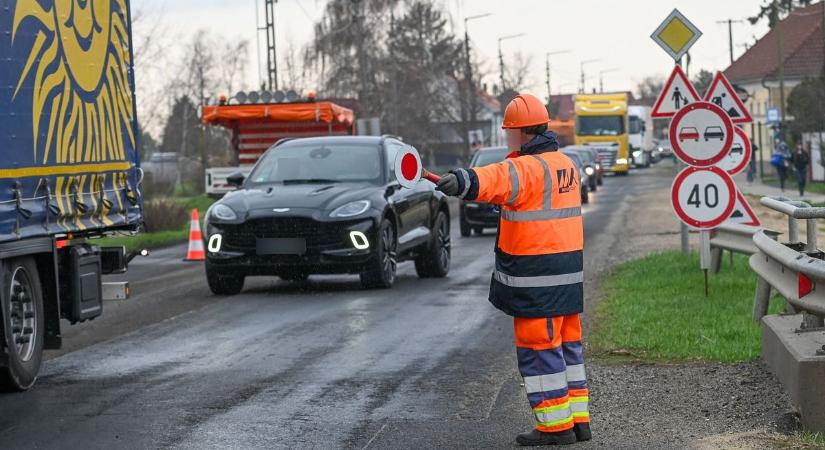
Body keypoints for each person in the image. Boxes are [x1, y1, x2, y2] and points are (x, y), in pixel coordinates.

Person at [436, 93, 589, 446]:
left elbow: (494, 178)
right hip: (566, 276)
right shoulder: (566, 164)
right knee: (568, 348)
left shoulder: (525, 168)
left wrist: (461, 180)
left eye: (509, 132)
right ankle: (578, 422)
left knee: (539, 351)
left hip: (537, 278)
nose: (507, 139)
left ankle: (555, 427)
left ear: (520, 132)